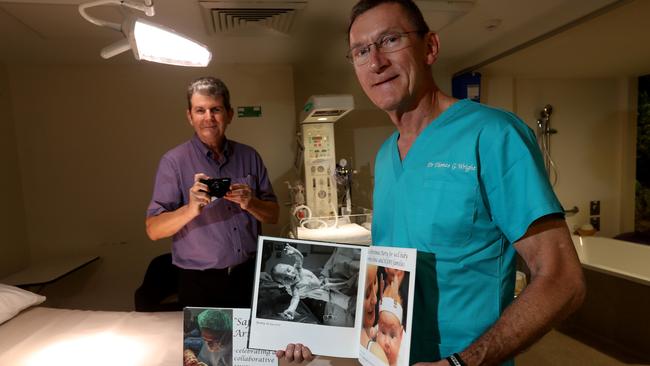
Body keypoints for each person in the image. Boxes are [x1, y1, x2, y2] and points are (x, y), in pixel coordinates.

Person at [279, 0, 586, 364]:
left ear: (430, 48)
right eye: (362, 51)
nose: (376, 62)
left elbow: (564, 280)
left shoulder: (492, 135)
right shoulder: (385, 155)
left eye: (390, 40)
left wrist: (461, 363)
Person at [145, 77, 279, 308]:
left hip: (250, 275)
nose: (208, 118)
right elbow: (153, 230)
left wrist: (251, 203)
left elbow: (274, 215)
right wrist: (190, 209)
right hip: (199, 282)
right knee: (209, 343)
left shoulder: (249, 156)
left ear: (229, 114)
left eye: (215, 109)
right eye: (200, 110)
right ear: (190, 116)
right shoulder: (174, 162)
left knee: (251, 344)